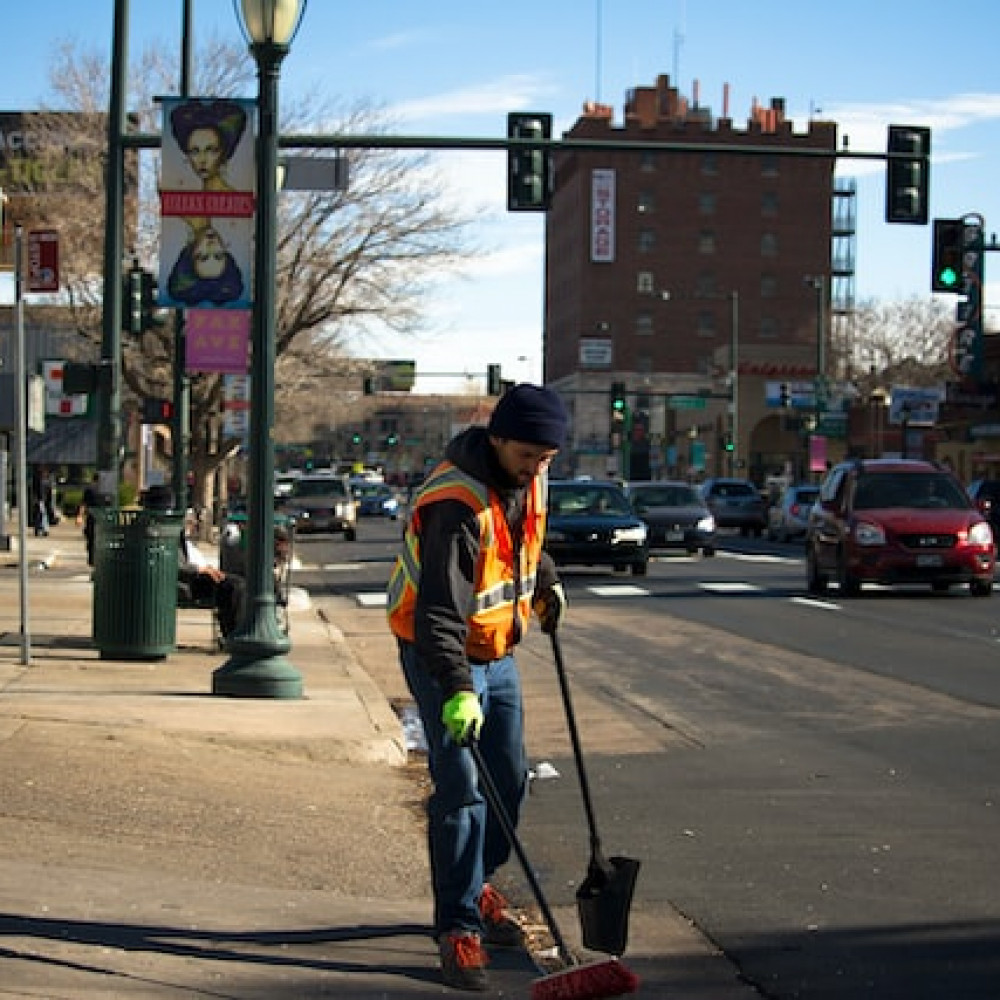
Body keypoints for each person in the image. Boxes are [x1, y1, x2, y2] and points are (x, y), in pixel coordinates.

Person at [386, 383, 568, 992]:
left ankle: (477, 883)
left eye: (547, 458)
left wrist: (546, 580)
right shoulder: (455, 503)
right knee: (462, 789)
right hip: (441, 656)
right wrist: (458, 689)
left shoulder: (531, 477)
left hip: (498, 651)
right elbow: (439, 611)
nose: (537, 467)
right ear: (497, 440)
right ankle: (458, 928)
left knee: (508, 780)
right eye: (528, 456)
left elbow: (524, 540)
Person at [75, 474, 100, 566]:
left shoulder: (89, 489)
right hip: (99, 519)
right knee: (94, 539)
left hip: (91, 518)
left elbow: (83, 504)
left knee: (91, 538)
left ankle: (92, 560)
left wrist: (79, 516)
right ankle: (94, 560)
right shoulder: (106, 491)